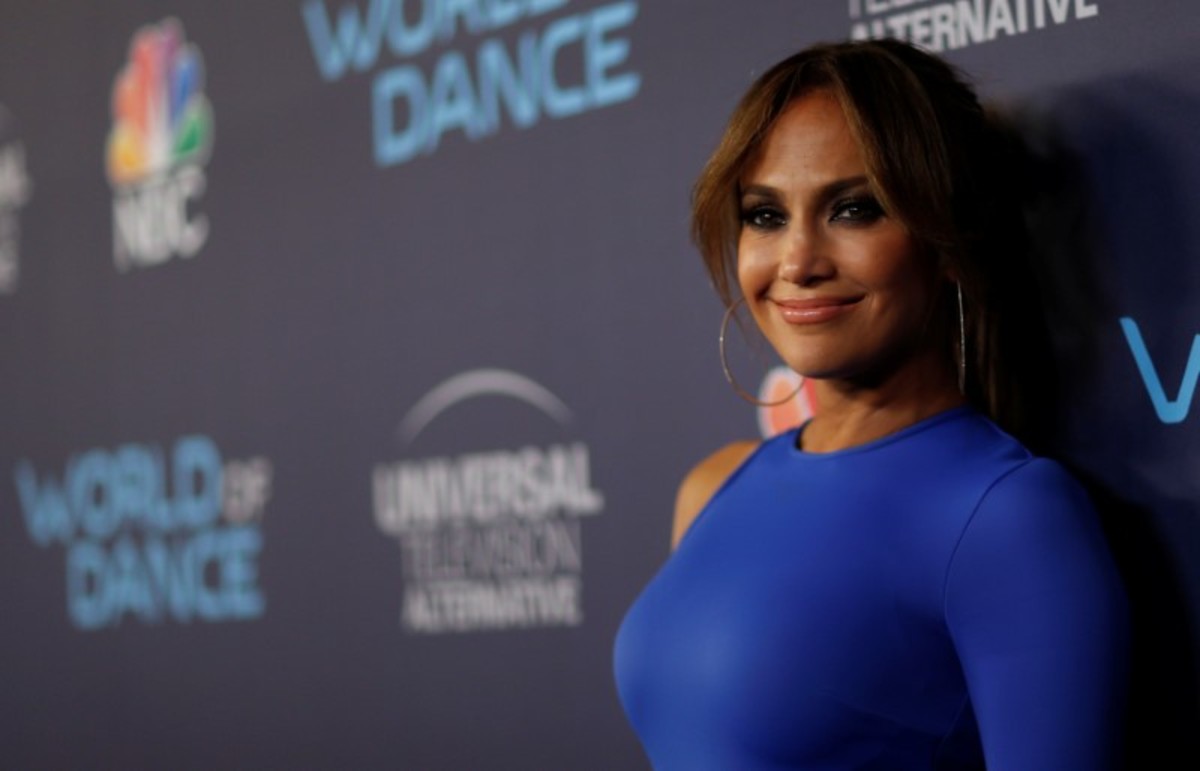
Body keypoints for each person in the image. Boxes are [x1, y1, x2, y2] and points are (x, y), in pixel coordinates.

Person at [613, 39, 1129, 770]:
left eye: (854, 209)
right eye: (765, 215)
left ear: (949, 237)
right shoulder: (711, 488)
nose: (797, 261)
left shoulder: (1008, 517)